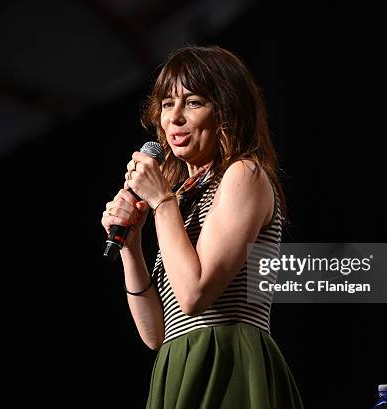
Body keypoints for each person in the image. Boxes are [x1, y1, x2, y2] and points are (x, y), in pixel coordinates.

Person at [101, 45, 303, 409]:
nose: (174, 117)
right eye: (166, 104)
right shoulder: (181, 199)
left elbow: (195, 295)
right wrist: (131, 246)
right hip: (180, 363)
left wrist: (162, 202)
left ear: (225, 111)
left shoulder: (244, 174)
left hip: (228, 362)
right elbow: (156, 334)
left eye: (192, 102)